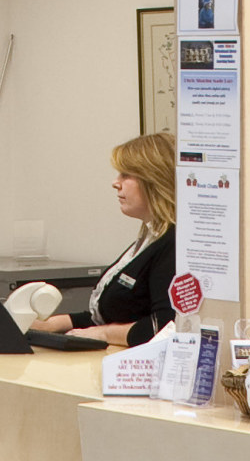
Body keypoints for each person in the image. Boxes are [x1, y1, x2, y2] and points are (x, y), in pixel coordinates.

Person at [55, 133, 178, 345]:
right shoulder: (149, 238)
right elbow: (111, 318)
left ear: (154, 180)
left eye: (126, 175)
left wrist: (103, 334)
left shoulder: (172, 243)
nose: (116, 183)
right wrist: (51, 324)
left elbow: (164, 326)